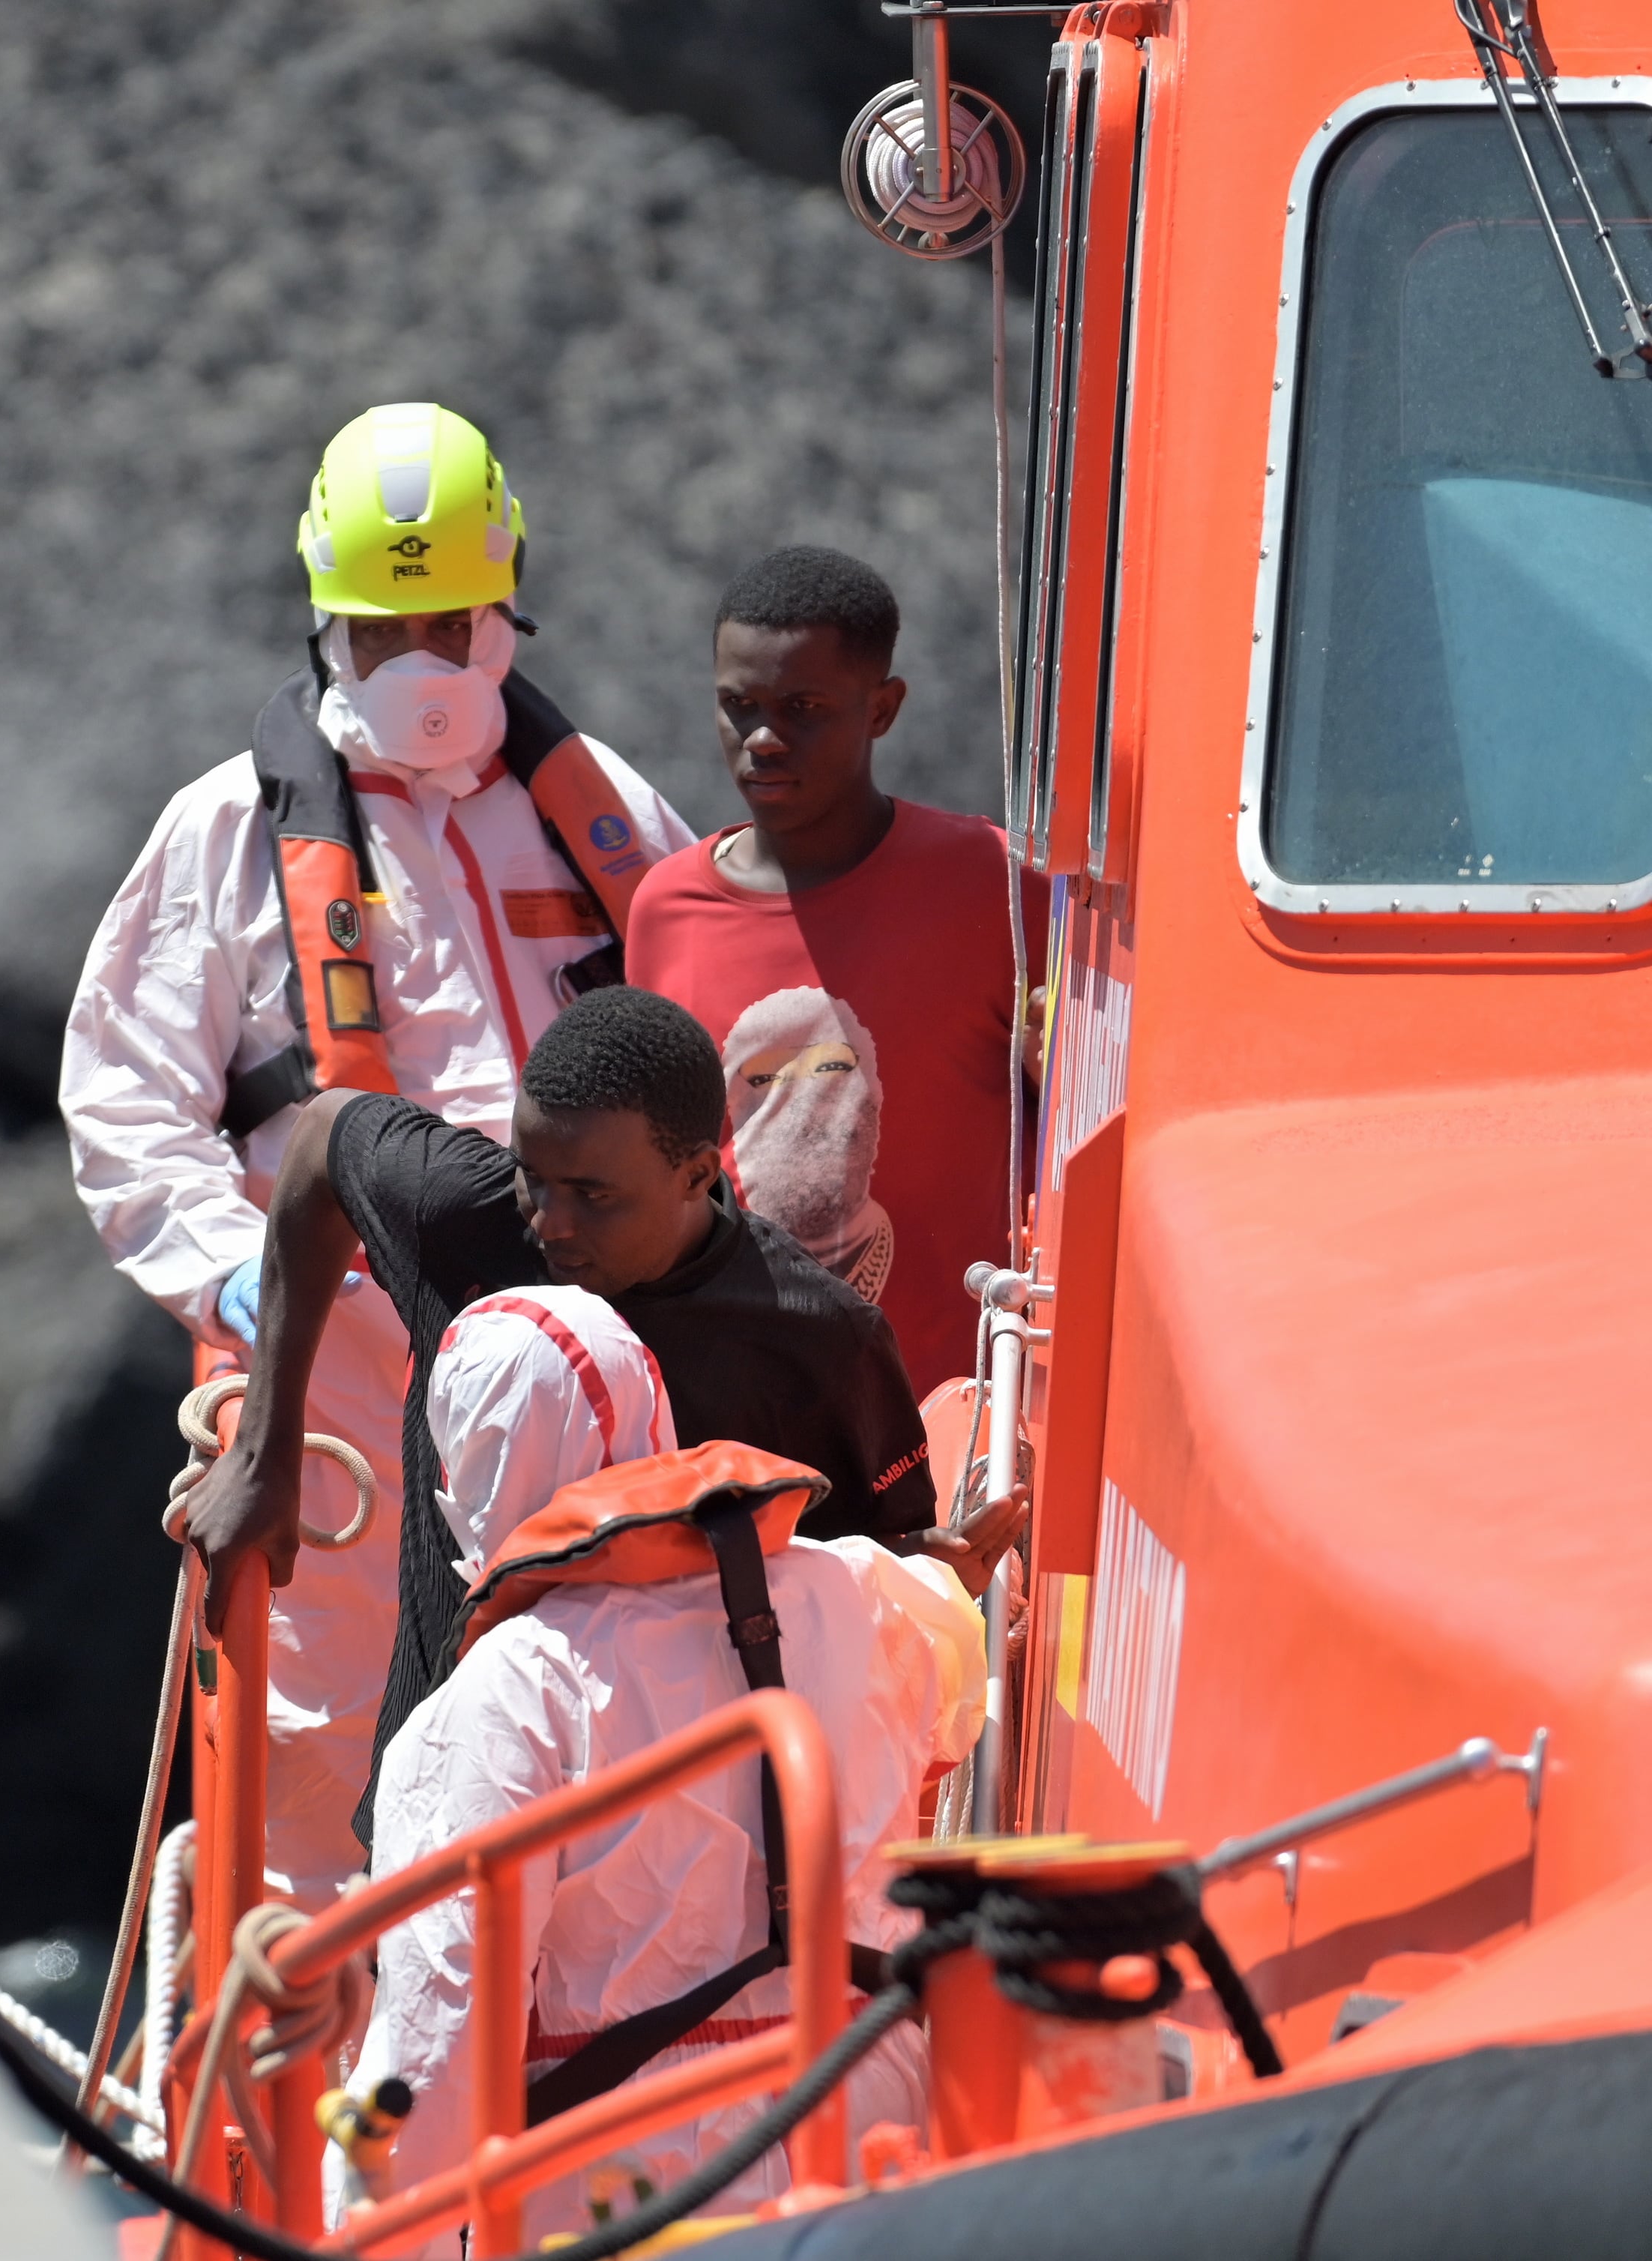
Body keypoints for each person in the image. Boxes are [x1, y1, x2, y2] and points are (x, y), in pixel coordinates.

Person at [63, 402, 695, 1906]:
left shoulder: (598, 809)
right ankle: (312, 2101)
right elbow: (123, 1101)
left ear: (504, 603)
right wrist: (244, 1299)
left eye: (444, 617)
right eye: (379, 625)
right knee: (317, 1771)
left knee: (605, 1726)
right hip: (335, 1395)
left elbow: (700, 1029)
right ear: (323, 622)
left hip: (586, 1378)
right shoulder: (224, 832)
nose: (416, 657)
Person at [175, 984, 1019, 1855]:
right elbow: (323, 1135)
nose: (549, 1224)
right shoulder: (471, 1220)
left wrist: (928, 1572)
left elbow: (877, 1563)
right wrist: (266, 1446)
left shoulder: (815, 1339)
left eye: (593, 1194)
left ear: (697, 1171)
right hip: (445, 1816)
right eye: (531, 1177)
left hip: (683, 1862)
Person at [346, 1297, 985, 2250]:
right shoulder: (859, 1588)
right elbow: (952, 1703)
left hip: (630, 2186)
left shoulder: (503, 1698)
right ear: (656, 1410)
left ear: (463, 1481)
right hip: (876, 2134)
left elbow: (435, 2052)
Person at [624, 547, 1046, 1394]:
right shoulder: (664, 908)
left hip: (972, 1421)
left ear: (882, 709)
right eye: (737, 707)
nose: (763, 739)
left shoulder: (996, 887)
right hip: (753, 1418)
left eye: (802, 708)